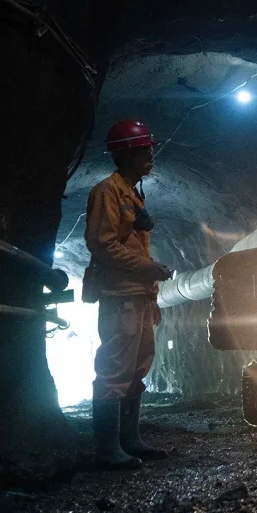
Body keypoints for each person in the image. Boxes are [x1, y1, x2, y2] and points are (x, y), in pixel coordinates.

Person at [83, 119, 174, 469]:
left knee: (137, 364)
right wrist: (146, 266)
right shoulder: (107, 192)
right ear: (127, 154)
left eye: (150, 150)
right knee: (114, 367)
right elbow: (102, 244)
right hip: (120, 292)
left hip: (138, 292)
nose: (151, 156)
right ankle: (107, 450)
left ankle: (130, 440)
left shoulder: (132, 192)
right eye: (144, 151)